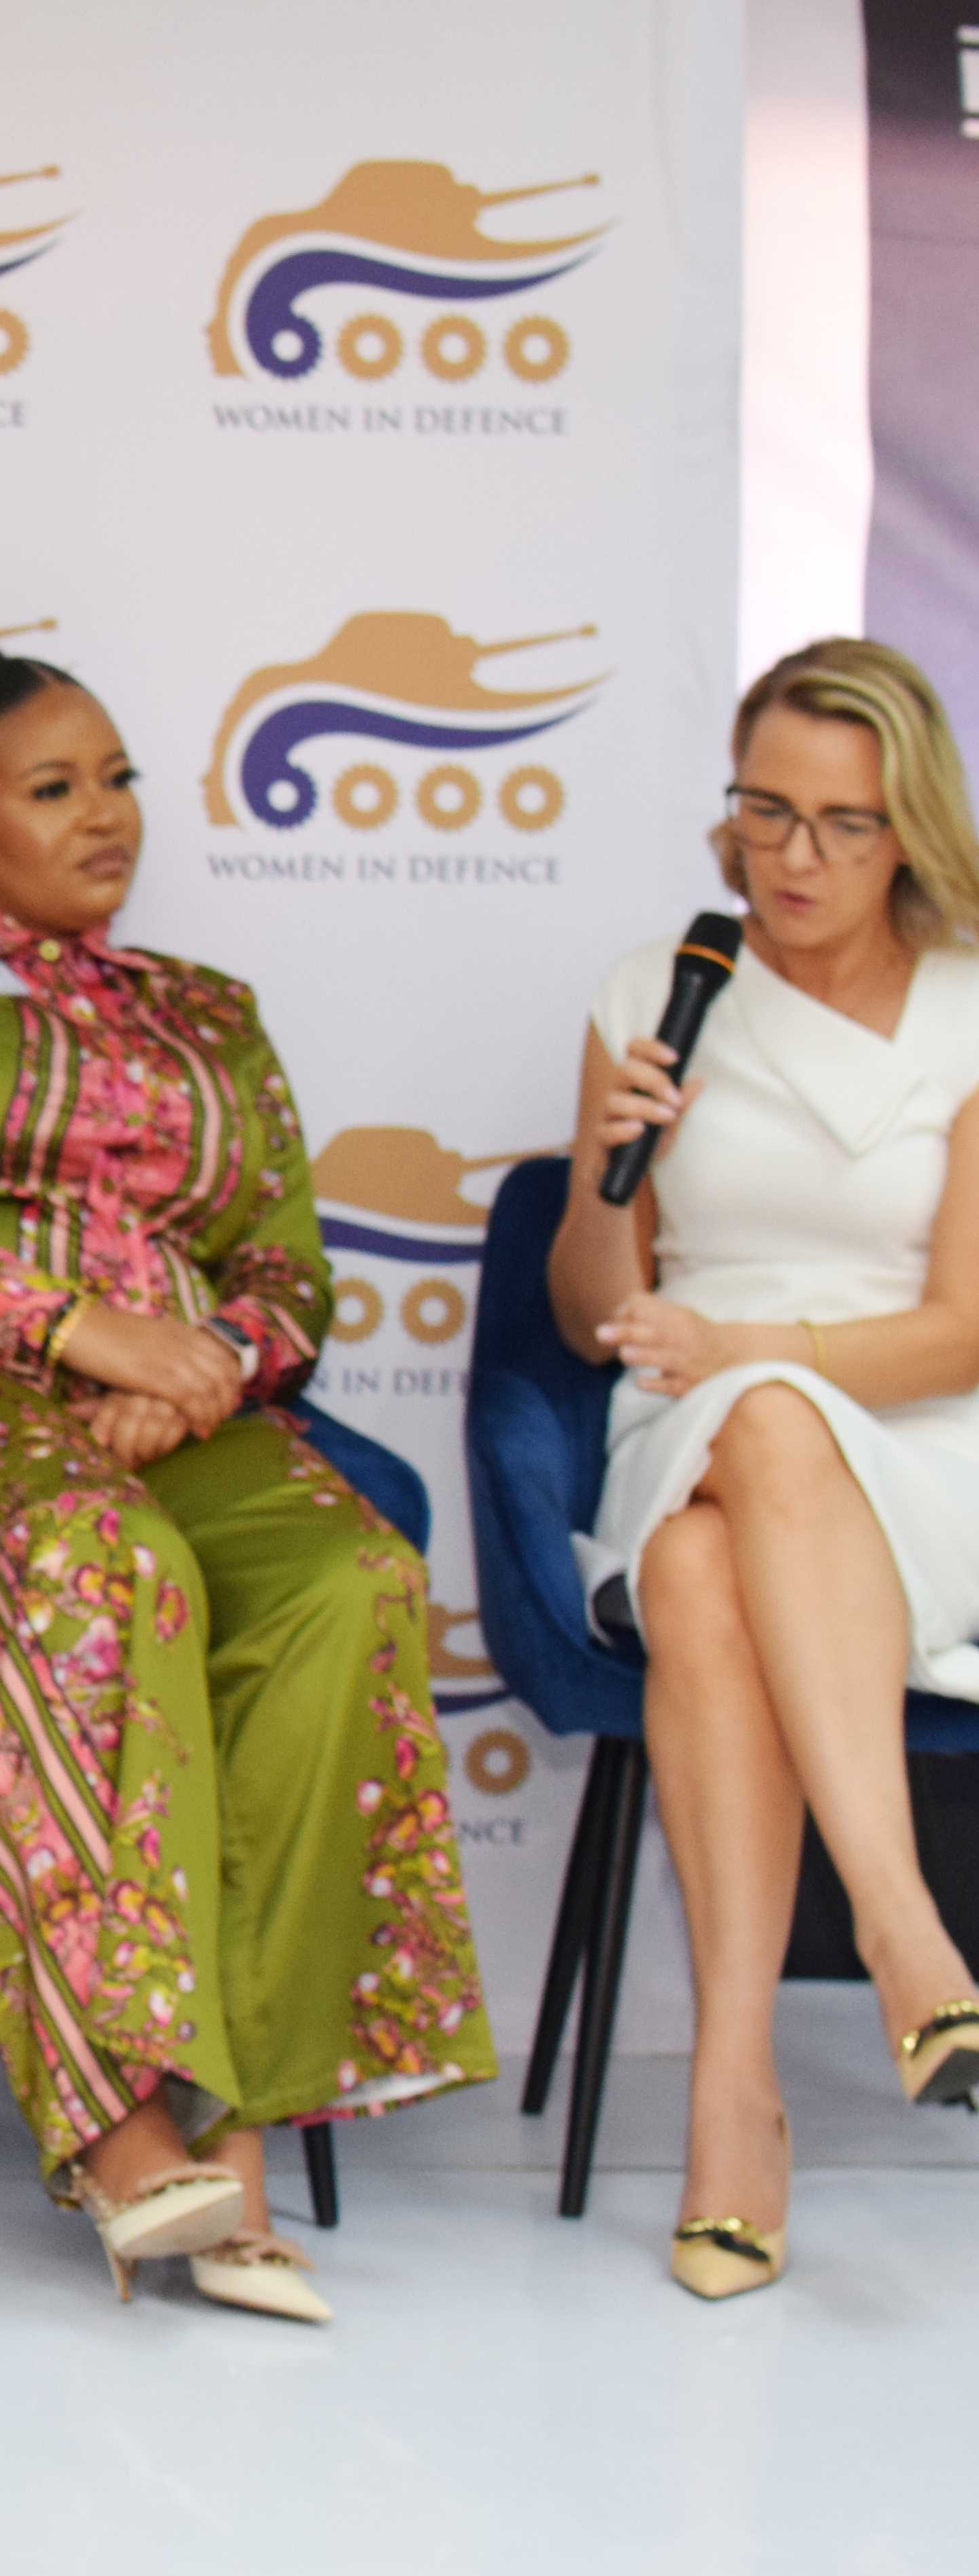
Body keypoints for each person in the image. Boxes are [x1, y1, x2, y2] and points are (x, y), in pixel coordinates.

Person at [0, 642, 495, 2325]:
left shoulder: (206, 1008)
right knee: (91, 1558)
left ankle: (238, 2110)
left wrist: (193, 1361)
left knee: (346, 1577)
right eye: (56, 786)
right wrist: (75, 1331)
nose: (107, 815)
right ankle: (120, 2123)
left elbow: (285, 1262)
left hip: (160, 1406)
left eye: (123, 778)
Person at [550, 636, 979, 2301]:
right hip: (689, 1411)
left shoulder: (971, 1008)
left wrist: (753, 1348)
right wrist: (611, 1171)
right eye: (766, 811)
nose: (795, 858)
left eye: (844, 824)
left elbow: (964, 1334)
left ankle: (748, 2081)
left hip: (919, 1437)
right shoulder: (657, 990)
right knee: (712, 1516)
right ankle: (898, 1934)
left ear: (909, 828)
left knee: (730, 1506)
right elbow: (590, 1316)